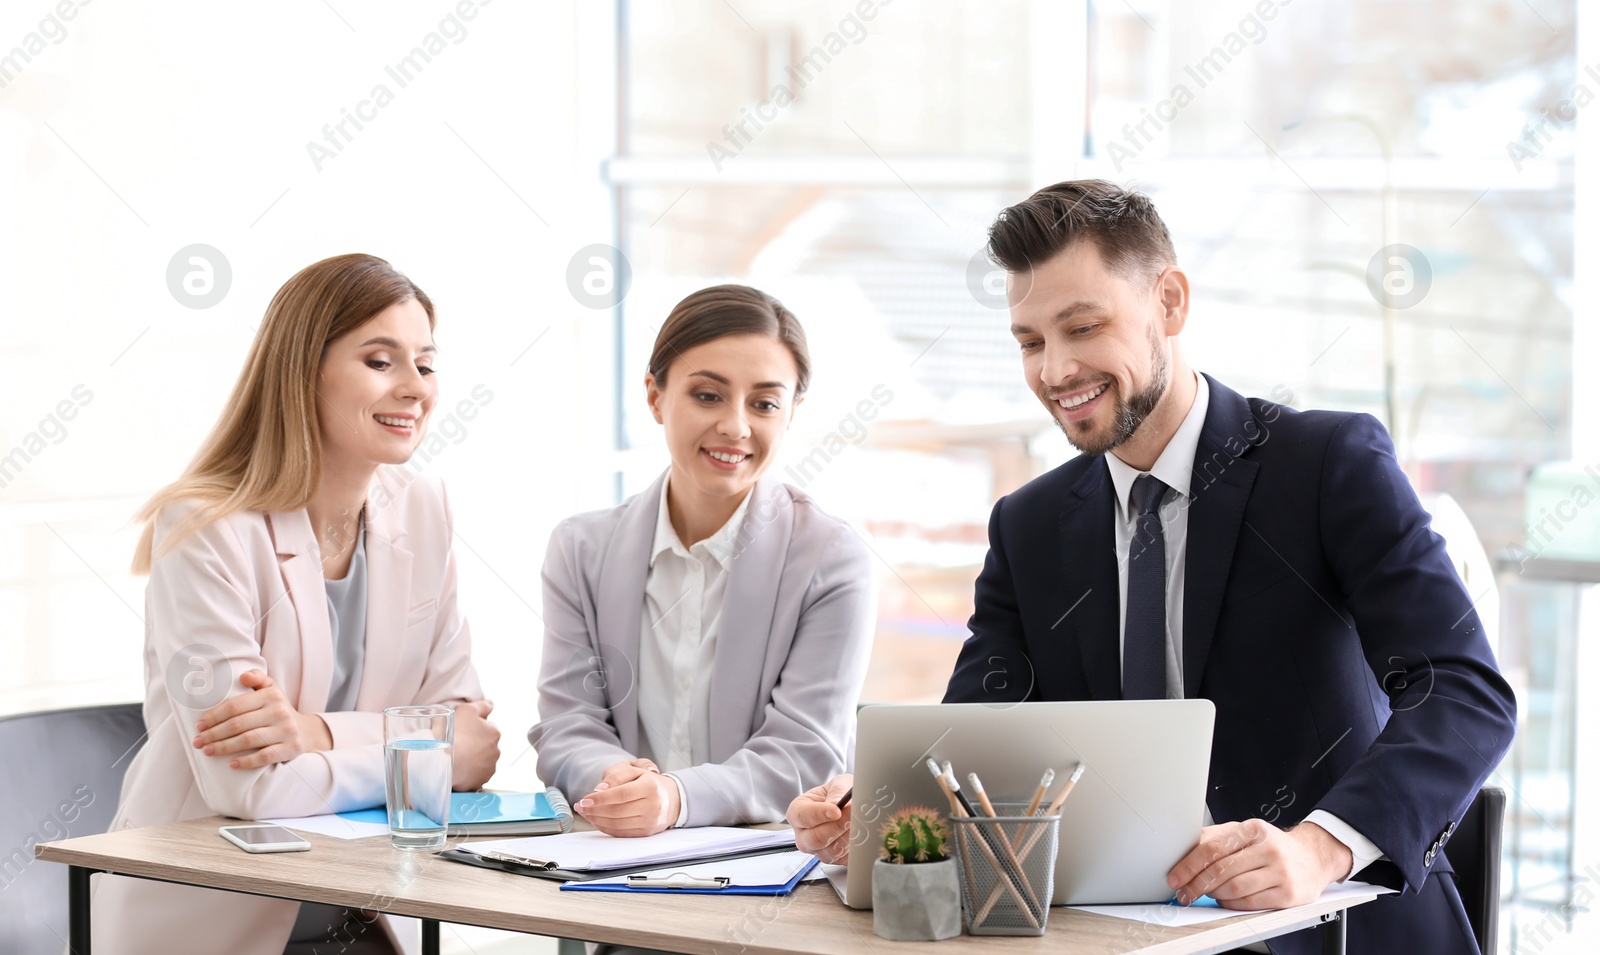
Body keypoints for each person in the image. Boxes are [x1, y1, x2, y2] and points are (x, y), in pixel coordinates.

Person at [789, 181, 1515, 955]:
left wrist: (1319, 846)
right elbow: (975, 733)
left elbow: (1463, 690)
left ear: (1169, 302)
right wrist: (873, 810)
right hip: (1115, 938)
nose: (1056, 369)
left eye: (1083, 326)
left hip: (1328, 928)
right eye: (1031, 342)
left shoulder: (1326, 464)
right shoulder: (1030, 525)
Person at [94, 254, 502, 955]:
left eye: (426, 365)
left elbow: (473, 743)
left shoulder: (424, 507)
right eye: (381, 361)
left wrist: (312, 733)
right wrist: (422, 747)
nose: (415, 388)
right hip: (212, 916)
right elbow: (251, 789)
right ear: (303, 371)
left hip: (369, 914)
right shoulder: (204, 527)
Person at [531, 285, 875, 841]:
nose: (736, 427)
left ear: (791, 414)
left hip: (772, 871)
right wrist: (615, 780)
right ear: (655, 396)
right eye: (708, 395)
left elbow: (804, 752)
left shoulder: (832, 559)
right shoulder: (580, 549)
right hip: (620, 874)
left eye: (764, 403)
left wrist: (676, 797)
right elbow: (568, 723)